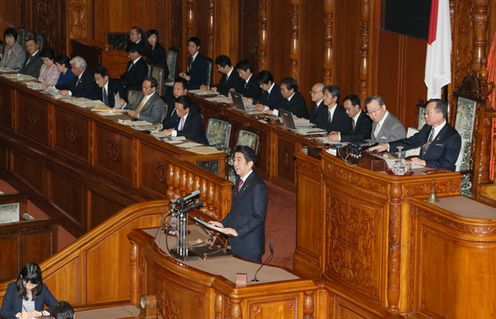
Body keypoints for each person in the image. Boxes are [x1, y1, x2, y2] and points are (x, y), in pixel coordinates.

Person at [209, 145, 268, 262]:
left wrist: (237, 232)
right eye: (234, 160)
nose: (235, 164)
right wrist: (222, 224)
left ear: (250, 164)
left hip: (249, 245)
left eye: (239, 160)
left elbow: (258, 217)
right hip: (237, 243)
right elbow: (234, 211)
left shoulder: (258, 186)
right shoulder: (239, 180)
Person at [369, 99, 461, 171]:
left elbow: (448, 163)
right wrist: (387, 145)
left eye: (428, 113)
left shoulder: (452, 136)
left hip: (438, 174)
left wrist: (424, 162)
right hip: (422, 169)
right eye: (425, 113)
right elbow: (411, 142)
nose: (425, 115)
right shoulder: (428, 127)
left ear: (440, 114)